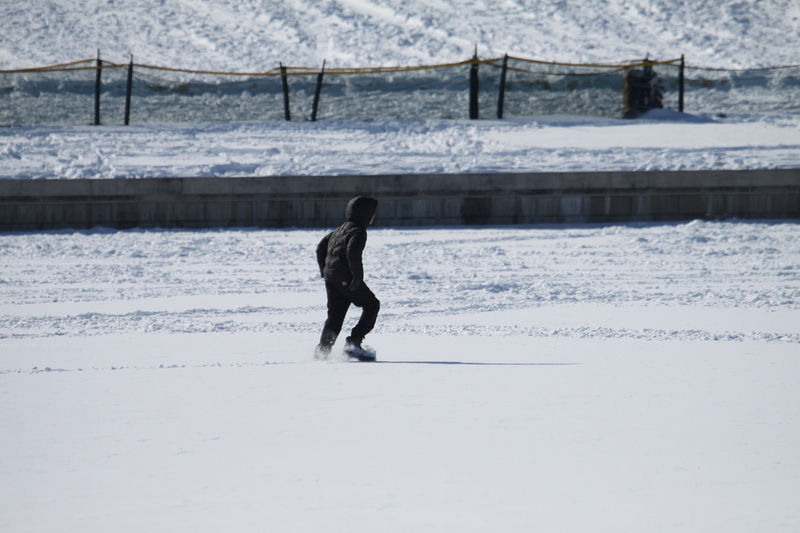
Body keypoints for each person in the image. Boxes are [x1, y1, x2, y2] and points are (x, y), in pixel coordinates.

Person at [315, 196, 380, 361]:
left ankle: (322, 351)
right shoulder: (358, 231)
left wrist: (326, 271)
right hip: (345, 277)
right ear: (365, 214)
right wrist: (356, 278)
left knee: (335, 315)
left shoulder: (339, 229)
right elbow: (353, 254)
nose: (374, 216)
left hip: (332, 278)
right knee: (372, 304)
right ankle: (354, 343)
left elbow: (320, 248)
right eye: (372, 213)